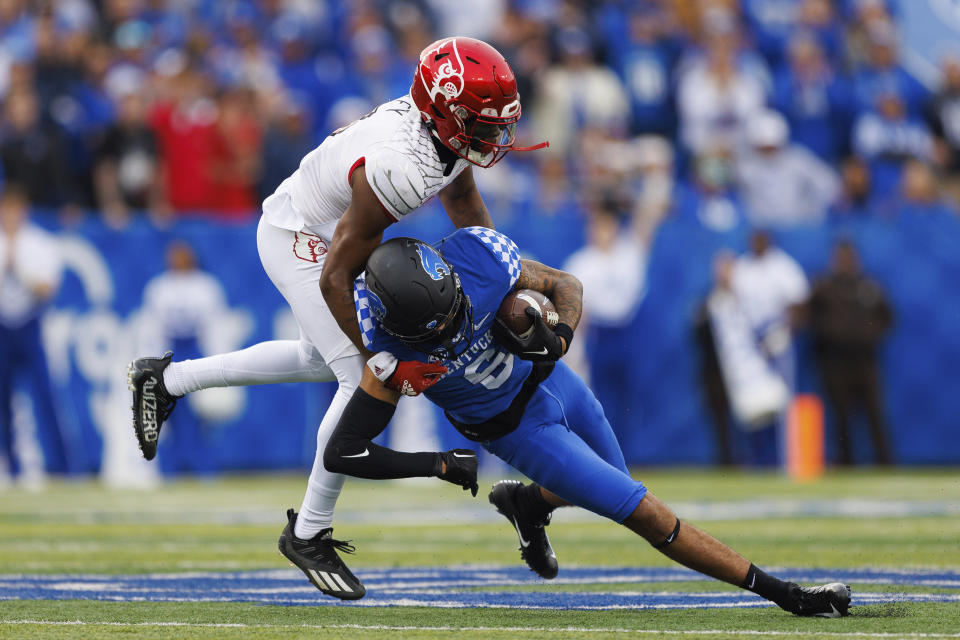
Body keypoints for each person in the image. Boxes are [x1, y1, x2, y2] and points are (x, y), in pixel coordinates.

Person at [127, 37, 546, 601]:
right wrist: (380, 359)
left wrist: (505, 276)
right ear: (445, 114)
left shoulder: (437, 141)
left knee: (315, 359)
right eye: (483, 124)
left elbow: (466, 202)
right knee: (360, 377)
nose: (495, 137)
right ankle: (310, 530)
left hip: (323, 230)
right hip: (299, 236)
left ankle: (168, 379)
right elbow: (334, 278)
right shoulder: (401, 167)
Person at [318, 228, 851, 617]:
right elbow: (342, 450)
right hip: (518, 430)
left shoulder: (478, 260)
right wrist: (433, 463)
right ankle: (783, 594)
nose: (455, 328)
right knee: (642, 512)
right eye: (439, 328)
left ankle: (529, 502)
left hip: (554, 380)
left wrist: (562, 336)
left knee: (614, 482)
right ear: (400, 326)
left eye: (457, 309)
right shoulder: (386, 355)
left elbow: (566, 285)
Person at [0, 185, 68, 482]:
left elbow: (47, 288)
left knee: (45, 395)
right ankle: (10, 466)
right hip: (2, 326)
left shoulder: (40, 244)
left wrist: (20, 270)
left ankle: (63, 467)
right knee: (3, 399)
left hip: (29, 325)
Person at [808, 240, 893, 465]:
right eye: (841, 257)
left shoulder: (869, 286)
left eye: (849, 257)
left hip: (865, 361)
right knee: (841, 416)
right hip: (835, 362)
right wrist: (831, 333)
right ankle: (847, 463)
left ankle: (885, 462)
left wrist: (869, 334)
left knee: (874, 414)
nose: (845, 262)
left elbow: (887, 318)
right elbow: (810, 317)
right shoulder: (823, 286)